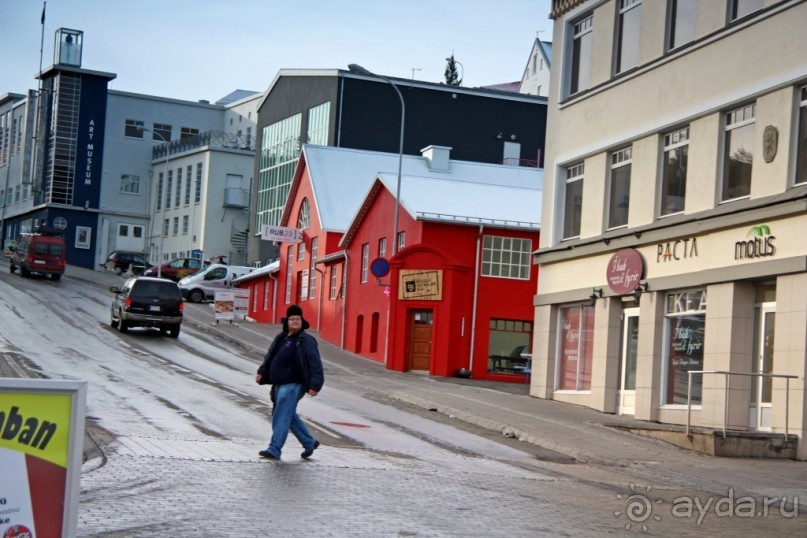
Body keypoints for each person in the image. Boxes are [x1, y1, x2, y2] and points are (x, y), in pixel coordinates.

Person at [255, 305, 324, 460]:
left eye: (298, 319)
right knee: (288, 415)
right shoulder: (281, 337)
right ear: (286, 321)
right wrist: (262, 371)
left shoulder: (306, 341)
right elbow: (270, 356)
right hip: (279, 384)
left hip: (294, 384)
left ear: (302, 321)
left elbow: (315, 363)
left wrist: (315, 385)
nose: (295, 322)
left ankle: (274, 449)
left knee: (281, 415)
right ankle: (309, 442)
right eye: (292, 319)